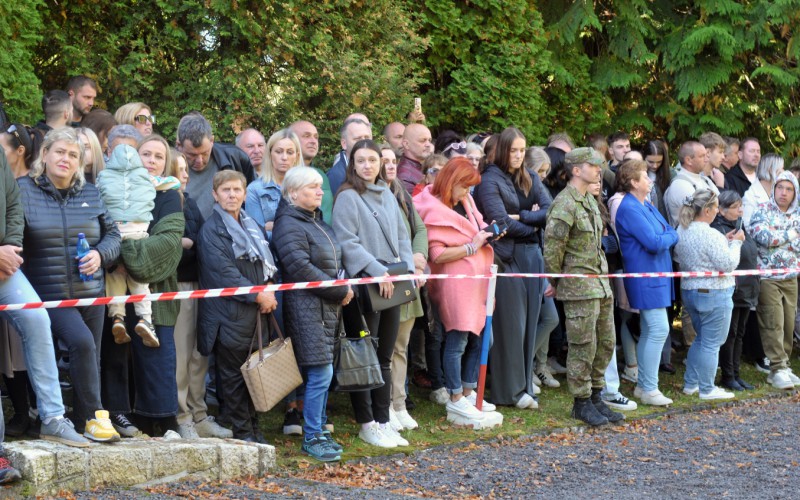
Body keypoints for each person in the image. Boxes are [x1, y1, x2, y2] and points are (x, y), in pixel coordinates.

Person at [18, 127, 122, 441]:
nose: (66, 159)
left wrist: (99, 254)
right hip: (47, 294)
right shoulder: (22, 190)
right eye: (60, 152)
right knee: (81, 343)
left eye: (73, 154)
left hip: (92, 291)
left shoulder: (91, 192)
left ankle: (79, 423)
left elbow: (114, 237)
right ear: (44, 155)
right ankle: (93, 417)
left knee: (91, 355)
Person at [101, 133, 187, 438]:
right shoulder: (111, 189)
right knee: (115, 349)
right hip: (113, 285)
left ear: (168, 163)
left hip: (157, 283)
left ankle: (165, 419)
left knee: (157, 350)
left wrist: (125, 255)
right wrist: (112, 256)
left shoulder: (167, 195)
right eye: (145, 154)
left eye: (158, 156)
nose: (151, 161)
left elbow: (169, 241)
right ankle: (120, 415)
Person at [332, 139, 414, 449]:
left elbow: (403, 236)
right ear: (352, 164)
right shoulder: (347, 197)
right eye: (361, 160)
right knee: (363, 358)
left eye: (373, 160)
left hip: (392, 283)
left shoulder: (389, 195)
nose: (368, 165)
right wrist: (375, 269)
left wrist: (405, 270)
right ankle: (366, 423)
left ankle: (382, 420)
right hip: (365, 286)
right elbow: (346, 242)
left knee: (384, 357)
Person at [271, 166, 353, 462]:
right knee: (320, 372)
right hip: (307, 307)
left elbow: (333, 261)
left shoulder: (315, 220)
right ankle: (313, 435)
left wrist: (342, 284)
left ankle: (317, 430)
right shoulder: (289, 224)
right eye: (312, 187)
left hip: (325, 307)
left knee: (322, 371)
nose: (320, 191)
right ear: (293, 193)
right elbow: (300, 268)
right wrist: (339, 290)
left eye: (320, 186)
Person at [413, 158, 497, 424]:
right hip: (455, 284)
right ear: (451, 182)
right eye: (464, 187)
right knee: (458, 339)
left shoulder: (466, 202)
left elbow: (479, 227)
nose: (467, 193)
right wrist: (473, 246)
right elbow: (436, 254)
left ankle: (469, 390)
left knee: (481, 337)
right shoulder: (433, 209)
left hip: (478, 281)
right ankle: (456, 398)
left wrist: (491, 234)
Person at [197, 170, 277, 442]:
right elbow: (224, 273)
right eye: (226, 190)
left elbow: (266, 260)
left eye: (237, 190)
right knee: (233, 378)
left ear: (245, 193)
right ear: (215, 195)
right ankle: (243, 434)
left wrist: (269, 288)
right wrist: (258, 295)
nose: (232, 195)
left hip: (254, 315)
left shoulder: (250, 222)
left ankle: (255, 429)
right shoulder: (211, 230)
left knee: (254, 374)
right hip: (228, 316)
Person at [543, 147, 620, 426]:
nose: (599, 169)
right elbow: (553, 249)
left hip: (599, 284)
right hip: (579, 287)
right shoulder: (565, 204)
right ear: (577, 170)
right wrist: (554, 280)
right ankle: (581, 401)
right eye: (593, 165)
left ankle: (597, 396)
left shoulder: (588, 200)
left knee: (605, 343)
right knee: (582, 346)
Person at [474, 127, 550, 410]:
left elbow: (550, 209)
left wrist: (526, 216)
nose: (518, 155)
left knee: (530, 322)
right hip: (506, 257)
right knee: (511, 325)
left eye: (522, 150)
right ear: (503, 150)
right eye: (513, 150)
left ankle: (524, 386)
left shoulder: (529, 176)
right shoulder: (489, 180)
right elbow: (500, 222)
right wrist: (532, 225)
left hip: (532, 255)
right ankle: (509, 391)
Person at [613, 160, 678, 406]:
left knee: (653, 330)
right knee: (658, 328)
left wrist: (667, 236)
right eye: (645, 177)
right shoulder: (629, 208)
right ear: (633, 182)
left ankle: (644, 386)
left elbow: (669, 231)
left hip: (658, 274)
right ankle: (649, 387)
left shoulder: (646, 204)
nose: (650, 180)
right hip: (645, 276)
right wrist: (668, 237)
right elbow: (654, 241)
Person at [675, 189, 742, 400]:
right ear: (706, 210)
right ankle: (707, 388)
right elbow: (728, 264)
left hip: (690, 290)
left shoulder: (682, 230)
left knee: (702, 339)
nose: (716, 212)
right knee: (712, 342)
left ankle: (691, 383)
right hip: (715, 292)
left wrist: (724, 240)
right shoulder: (710, 234)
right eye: (715, 208)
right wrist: (736, 242)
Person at [379, 143, 428, 431]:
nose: (389, 165)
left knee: (402, 346)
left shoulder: (401, 193)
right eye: (382, 160)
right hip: (387, 279)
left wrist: (418, 258)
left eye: (392, 160)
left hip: (407, 277)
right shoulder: (367, 195)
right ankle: (384, 405)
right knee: (385, 346)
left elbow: (419, 230)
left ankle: (399, 402)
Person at [96, 144, 161, 347]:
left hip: (113, 233)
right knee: (139, 277)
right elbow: (168, 183)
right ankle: (145, 319)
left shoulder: (104, 176)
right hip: (137, 232)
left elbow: (96, 193)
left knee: (114, 276)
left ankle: (117, 318)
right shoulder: (145, 176)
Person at [749, 172, 800, 390]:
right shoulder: (762, 211)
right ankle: (776, 367)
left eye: (789, 189)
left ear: (795, 193)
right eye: (780, 188)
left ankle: (783, 366)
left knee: (788, 324)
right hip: (768, 278)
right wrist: (792, 234)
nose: (784, 193)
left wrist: (782, 237)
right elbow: (766, 239)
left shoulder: (797, 214)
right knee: (773, 322)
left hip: (791, 277)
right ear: (774, 189)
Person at [710, 190, 759, 391]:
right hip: (733, 287)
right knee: (729, 334)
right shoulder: (718, 229)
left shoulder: (740, 225)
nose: (740, 210)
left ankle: (736, 374)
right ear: (721, 210)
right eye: (735, 207)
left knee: (739, 333)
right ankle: (727, 375)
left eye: (741, 206)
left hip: (748, 286)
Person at [176, 112, 255, 217]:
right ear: (179, 145)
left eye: (204, 153)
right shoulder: (168, 167)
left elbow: (253, 197)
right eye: (192, 155)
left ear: (212, 140)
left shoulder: (235, 158)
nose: (199, 160)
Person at [245, 129, 304, 233]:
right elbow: (256, 234)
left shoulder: (307, 187)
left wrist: (276, 225)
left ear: (297, 156)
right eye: (279, 151)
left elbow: (313, 227)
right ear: (270, 154)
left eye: (290, 152)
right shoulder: (254, 190)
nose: (284, 157)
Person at [664, 141, 717, 227]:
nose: (707, 160)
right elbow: (700, 215)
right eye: (702, 156)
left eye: (706, 156)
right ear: (688, 160)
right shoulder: (680, 184)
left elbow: (721, 205)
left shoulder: (705, 179)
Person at [290, 120, 332, 223]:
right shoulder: (285, 177)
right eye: (306, 136)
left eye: (316, 137)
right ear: (291, 140)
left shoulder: (322, 175)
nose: (313, 141)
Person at [328, 117, 372, 195]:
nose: (364, 142)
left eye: (367, 137)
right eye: (357, 139)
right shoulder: (336, 176)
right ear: (344, 144)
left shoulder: (377, 169)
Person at [742, 153, 784, 226]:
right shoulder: (750, 196)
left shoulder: (777, 193)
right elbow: (747, 226)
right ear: (770, 170)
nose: (784, 172)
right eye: (781, 168)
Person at [397, 123, 434, 193]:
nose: (428, 145)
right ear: (406, 144)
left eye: (429, 140)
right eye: (423, 140)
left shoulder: (423, 166)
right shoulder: (405, 177)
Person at [643, 139, 670, 219]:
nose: (655, 166)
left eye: (659, 162)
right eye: (651, 162)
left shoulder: (670, 174)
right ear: (643, 157)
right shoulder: (639, 175)